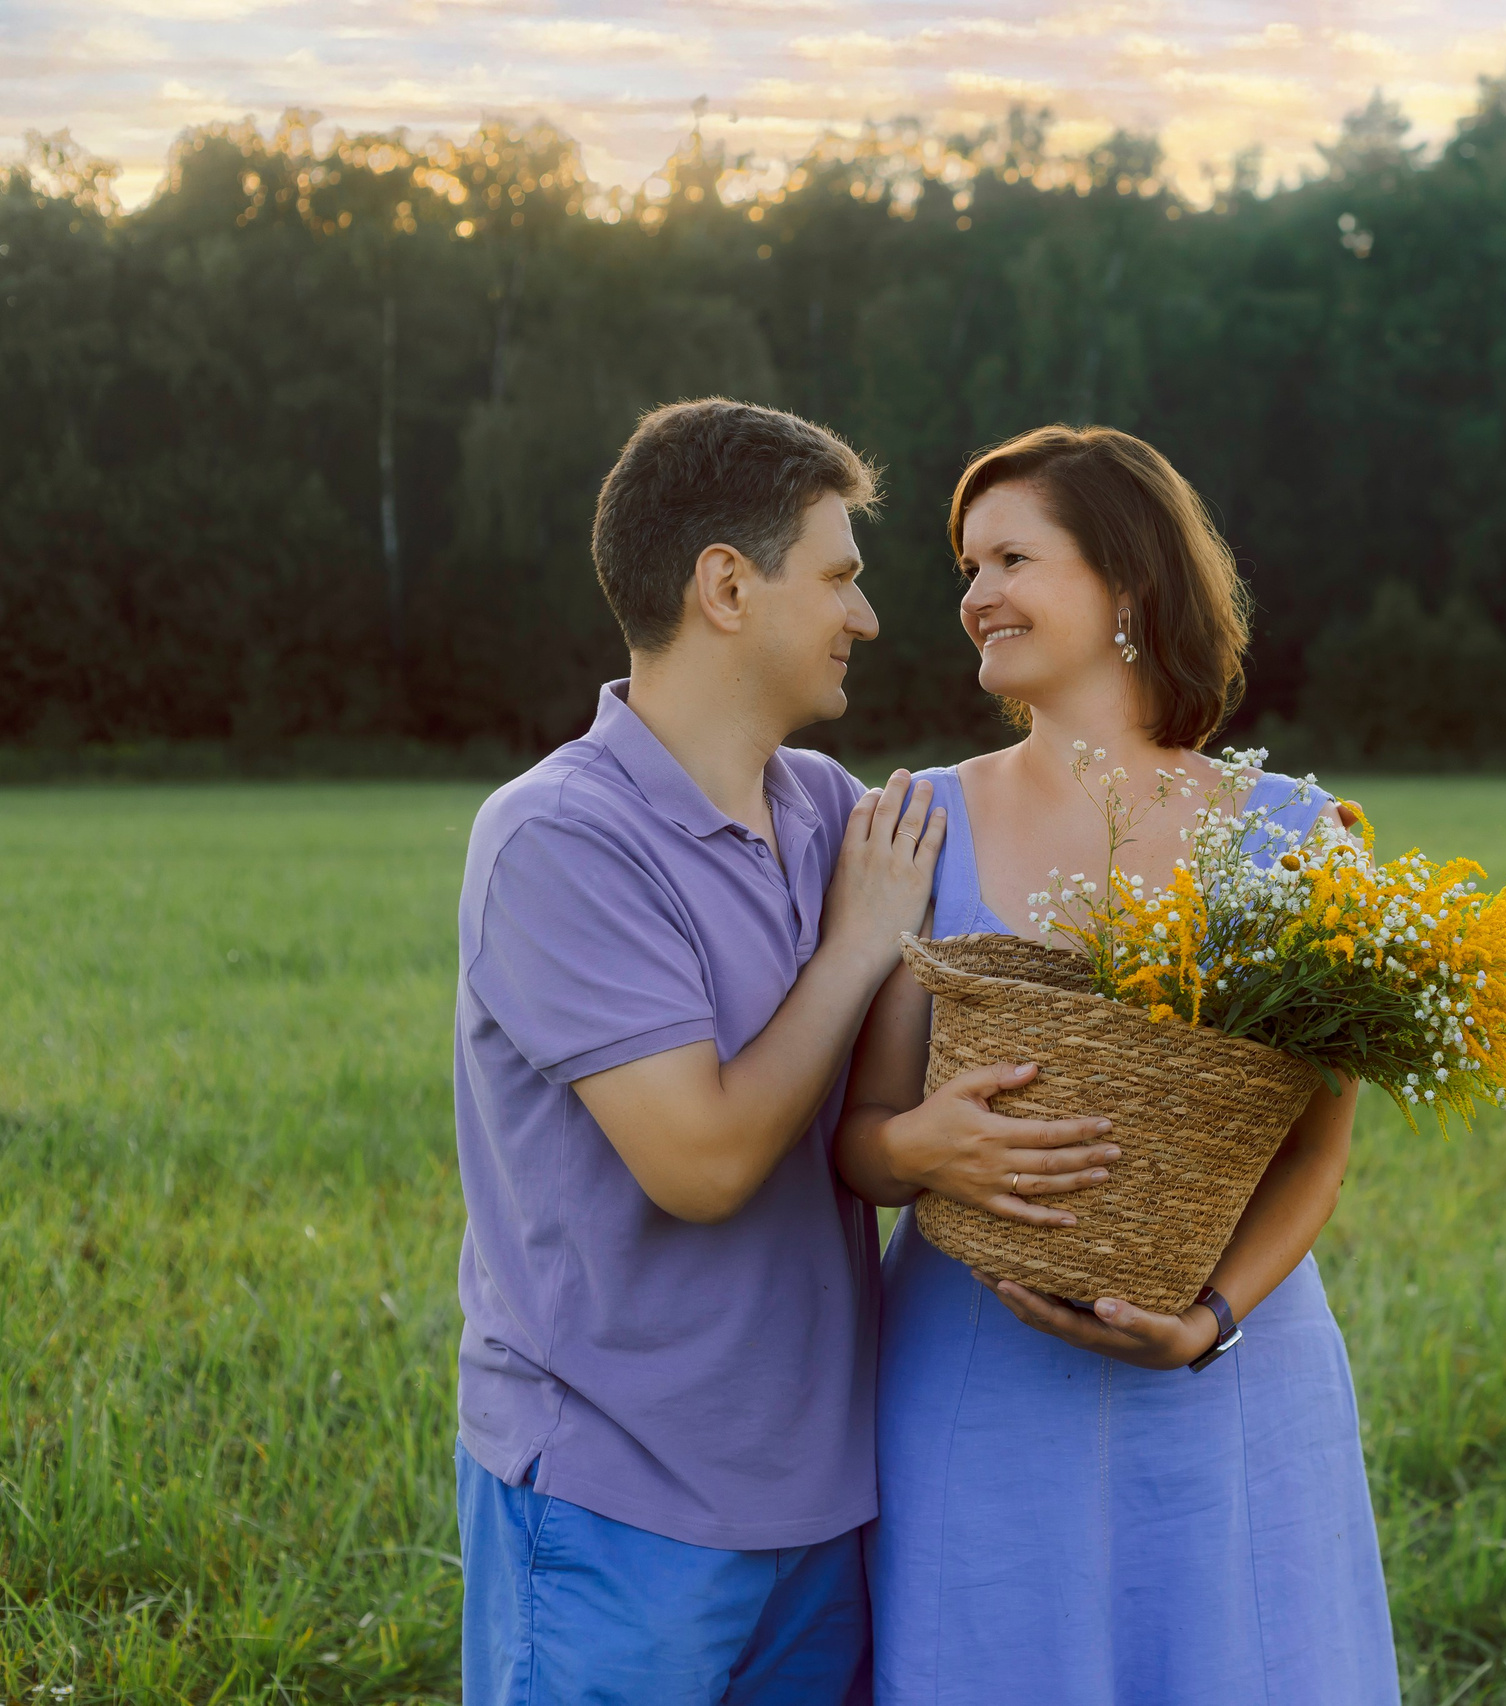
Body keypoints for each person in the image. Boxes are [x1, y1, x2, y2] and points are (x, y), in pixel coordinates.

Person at [449, 398, 1111, 1703]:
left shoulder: (831, 812)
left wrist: (1264, 854)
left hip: (826, 1505)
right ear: (727, 587)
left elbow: (1030, 922)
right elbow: (700, 1163)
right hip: (615, 1506)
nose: (868, 615)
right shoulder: (560, 838)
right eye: (839, 576)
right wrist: (855, 947)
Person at [837, 425, 1401, 1703]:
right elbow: (858, 1136)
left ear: (1129, 580)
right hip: (978, 1381)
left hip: (1231, 1391)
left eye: (1013, 558)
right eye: (967, 567)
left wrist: (1206, 1324)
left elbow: (1317, 1152)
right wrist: (921, 1145)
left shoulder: (1298, 834)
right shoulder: (919, 819)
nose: (977, 594)